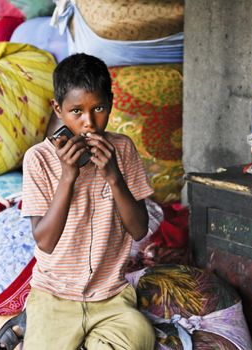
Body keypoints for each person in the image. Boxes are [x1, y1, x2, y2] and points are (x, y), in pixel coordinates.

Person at [20, 53, 156, 349]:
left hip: (110, 297)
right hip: (54, 295)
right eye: (76, 112)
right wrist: (68, 176)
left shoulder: (122, 149)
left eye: (99, 109)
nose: (90, 123)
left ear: (111, 102)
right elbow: (44, 241)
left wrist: (114, 176)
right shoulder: (39, 159)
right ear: (58, 109)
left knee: (141, 335)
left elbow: (139, 230)